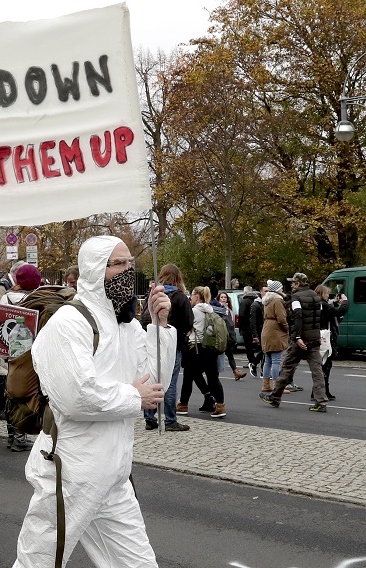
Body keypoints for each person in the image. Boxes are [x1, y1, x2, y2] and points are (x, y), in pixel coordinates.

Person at [12, 235, 175, 568]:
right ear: (95, 269)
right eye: (119, 264)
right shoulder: (69, 323)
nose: (128, 271)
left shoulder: (126, 326)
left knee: (138, 563)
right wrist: (133, 397)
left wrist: (160, 326)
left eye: (131, 263)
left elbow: (155, 384)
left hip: (114, 476)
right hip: (71, 473)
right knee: (39, 562)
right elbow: (76, 396)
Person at [260, 273, 328, 412]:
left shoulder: (296, 298)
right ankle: (321, 402)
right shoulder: (316, 296)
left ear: (298, 284)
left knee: (287, 367)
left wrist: (297, 337)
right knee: (317, 371)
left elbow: (298, 316)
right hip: (314, 338)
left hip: (301, 339)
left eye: (293, 283)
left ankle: (275, 397)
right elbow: (319, 317)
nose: (291, 285)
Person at [0, 263, 41, 451]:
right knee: (23, 395)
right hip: (26, 357)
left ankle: (12, 435)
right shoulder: (35, 299)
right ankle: (19, 436)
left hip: (7, 354)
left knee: (9, 394)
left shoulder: (5, 297)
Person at [141, 263, 192, 432]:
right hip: (172, 344)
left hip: (152, 341)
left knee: (151, 377)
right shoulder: (180, 297)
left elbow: (144, 318)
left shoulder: (153, 295)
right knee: (169, 381)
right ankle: (170, 420)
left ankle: (149, 417)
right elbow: (188, 322)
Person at [179, 287, 225, 418]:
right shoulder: (210, 309)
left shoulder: (194, 310)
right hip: (209, 348)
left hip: (195, 347)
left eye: (192, 295)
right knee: (212, 378)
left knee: (188, 376)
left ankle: (183, 405)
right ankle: (220, 406)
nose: (191, 298)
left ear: (197, 297)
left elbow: (186, 327)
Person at [315, 284, 348, 401]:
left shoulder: (318, 305)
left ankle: (320, 391)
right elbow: (339, 312)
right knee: (325, 365)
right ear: (322, 294)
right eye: (327, 293)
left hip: (319, 336)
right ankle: (321, 392)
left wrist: (334, 303)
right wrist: (345, 301)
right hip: (325, 338)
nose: (328, 295)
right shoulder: (323, 305)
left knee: (321, 365)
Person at [259, 280, 287, 394]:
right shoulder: (277, 300)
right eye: (281, 288)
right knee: (276, 361)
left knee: (268, 360)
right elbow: (281, 318)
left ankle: (266, 385)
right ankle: (277, 386)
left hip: (266, 329)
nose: (282, 290)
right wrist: (286, 328)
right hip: (275, 331)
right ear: (278, 290)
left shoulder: (266, 301)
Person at [212, 292, 246, 380]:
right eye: (222, 297)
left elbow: (231, 323)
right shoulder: (218, 309)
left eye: (225, 297)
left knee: (229, 354)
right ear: (218, 299)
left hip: (229, 335)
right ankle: (231, 372)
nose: (223, 299)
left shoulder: (229, 309)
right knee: (222, 355)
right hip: (221, 335)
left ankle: (235, 372)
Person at [239, 286, 260, 373]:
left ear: (246, 292)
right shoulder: (257, 301)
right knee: (256, 346)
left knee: (248, 346)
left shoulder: (244, 301)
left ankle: (251, 361)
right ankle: (255, 360)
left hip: (246, 327)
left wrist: (241, 326)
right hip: (257, 326)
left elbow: (242, 315)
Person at [250, 285, 268, 376]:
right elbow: (253, 321)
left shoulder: (267, 303)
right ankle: (261, 369)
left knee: (265, 350)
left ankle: (255, 364)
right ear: (261, 292)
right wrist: (255, 335)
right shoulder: (256, 304)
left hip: (266, 330)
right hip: (260, 331)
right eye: (265, 291)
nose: (267, 293)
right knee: (264, 350)